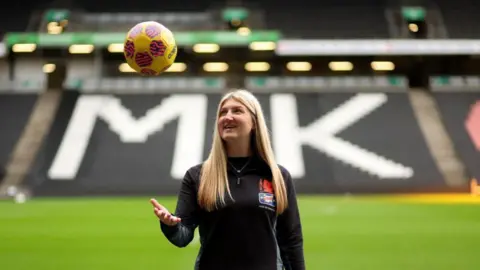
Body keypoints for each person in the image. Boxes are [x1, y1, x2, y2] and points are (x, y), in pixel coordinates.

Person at [150, 89, 305, 270]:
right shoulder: (198, 175)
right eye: (223, 112)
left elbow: (291, 241)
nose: (227, 117)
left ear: (254, 122)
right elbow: (182, 237)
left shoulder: (277, 176)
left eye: (237, 111)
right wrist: (170, 225)